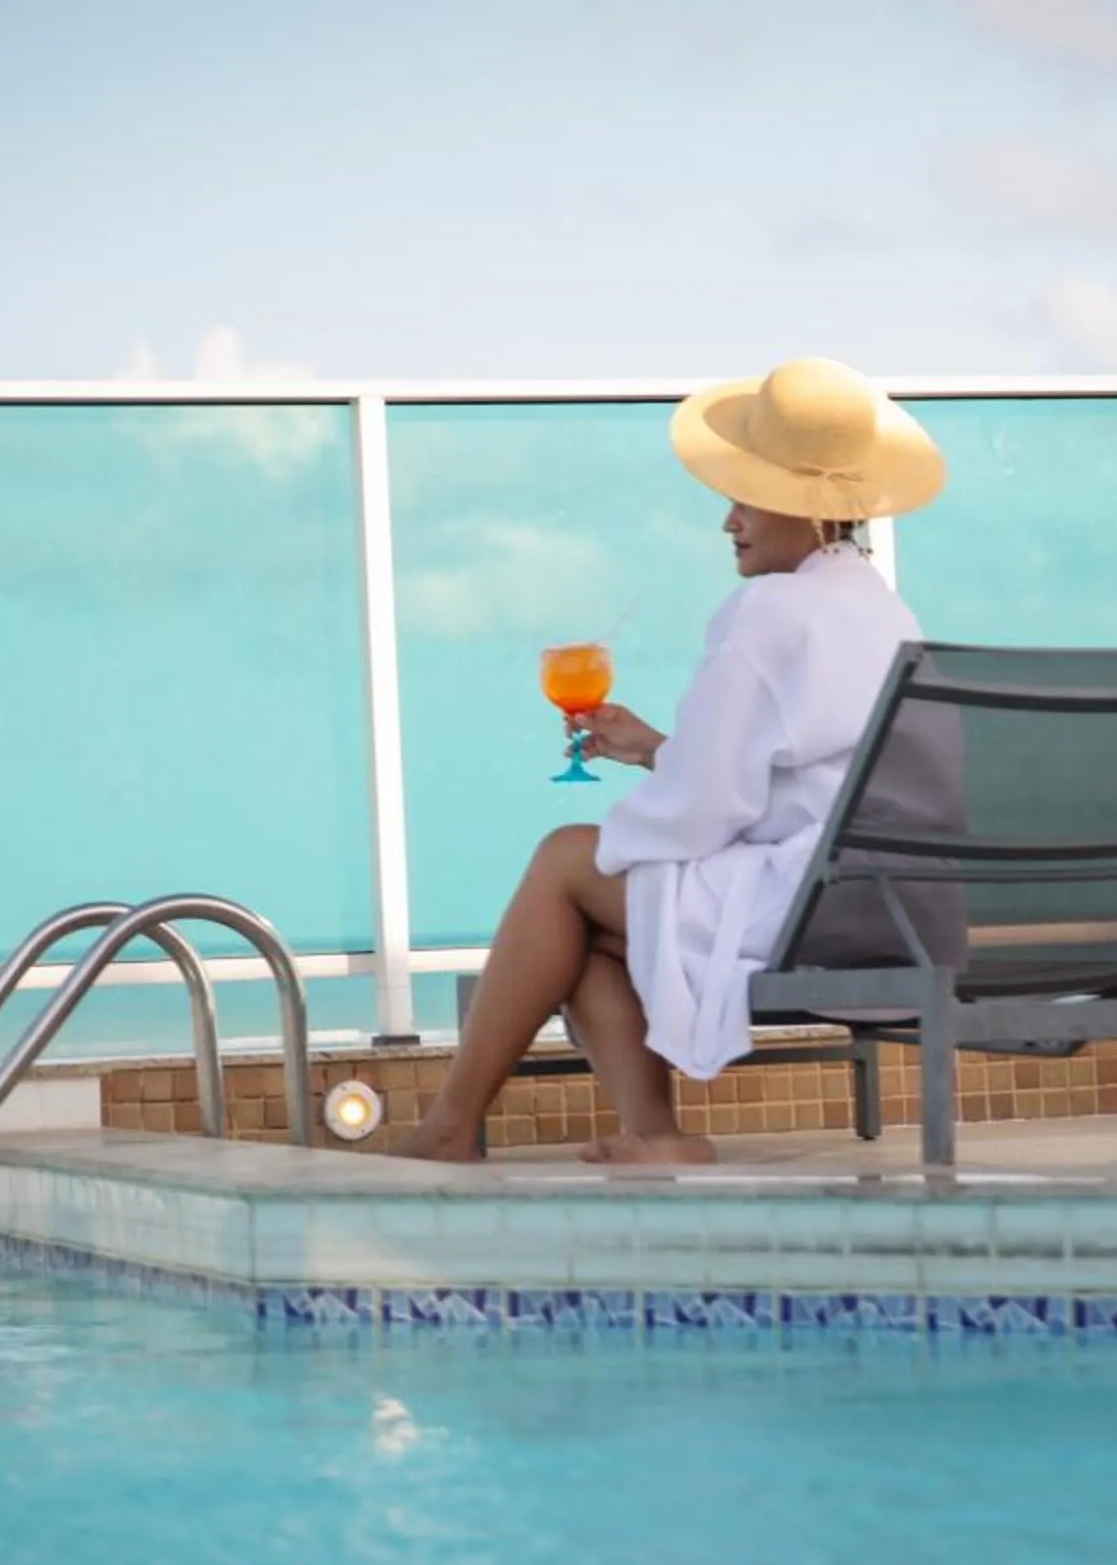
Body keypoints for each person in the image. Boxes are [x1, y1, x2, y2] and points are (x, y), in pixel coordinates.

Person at [395, 356, 945, 1163]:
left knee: (563, 864)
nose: (730, 522)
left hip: (813, 907)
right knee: (581, 924)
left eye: (746, 498)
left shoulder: (771, 610)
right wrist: (659, 751)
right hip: (901, 906)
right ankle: (653, 1136)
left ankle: (449, 1130)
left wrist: (660, 789)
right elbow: (794, 784)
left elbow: (704, 809)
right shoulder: (887, 613)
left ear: (808, 510)